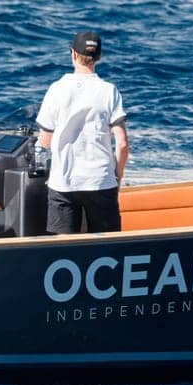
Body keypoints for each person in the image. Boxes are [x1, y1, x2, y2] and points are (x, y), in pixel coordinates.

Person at [36, 31, 129, 234]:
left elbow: (44, 141)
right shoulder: (109, 90)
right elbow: (122, 144)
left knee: (62, 251)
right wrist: (117, 177)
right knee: (107, 248)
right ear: (99, 57)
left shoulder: (56, 89)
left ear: (73, 54)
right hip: (101, 180)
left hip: (64, 182)